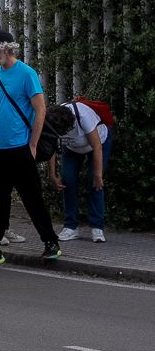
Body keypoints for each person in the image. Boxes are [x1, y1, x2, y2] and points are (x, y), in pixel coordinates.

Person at [0, 32, 60, 266]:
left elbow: (40, 110)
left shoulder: (27, 74)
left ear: (5, 49)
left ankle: (51, 242)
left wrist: (33, 144)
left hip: (19, 147)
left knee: (32, 198)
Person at [51, 95, 110, 243]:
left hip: (97, 144)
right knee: (67, 180)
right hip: (72, 149)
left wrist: (98, 175)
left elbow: (97, 147)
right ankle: (71, 226)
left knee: (94, 182)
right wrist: (52, 174)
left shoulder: (83, 116)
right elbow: (50, 148)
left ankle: (97, 226)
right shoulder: (51, 121)